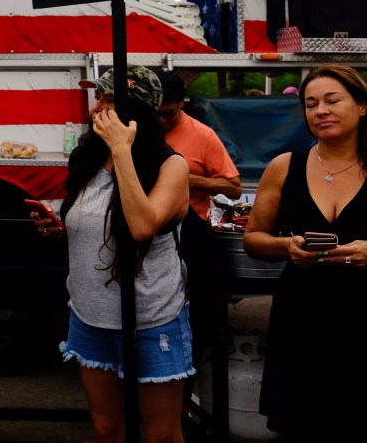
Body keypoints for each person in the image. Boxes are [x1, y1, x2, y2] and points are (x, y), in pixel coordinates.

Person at [34, 64, 192, 443]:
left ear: (136, 113)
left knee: (161, 435)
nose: (96, 108)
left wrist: (123, 150)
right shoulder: (86, 160)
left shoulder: (171, 166)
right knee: (107, 429)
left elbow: (141, 226)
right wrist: (59, 229)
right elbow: (94, 225)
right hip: (90, 314)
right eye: (97, 97)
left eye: (108, 100)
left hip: (151, 318)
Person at [244, 64, 367, 440]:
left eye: (332, 100)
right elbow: (254, 237)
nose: (321, 111)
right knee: (302, 426)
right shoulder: (284, 167)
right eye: (311, 104)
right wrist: (285, 246)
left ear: (362, 106)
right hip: (302, 316)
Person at [156, 71, 241, 219]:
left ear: (182, 103)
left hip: (189, 231)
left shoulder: (203, 135)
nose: (162, 121)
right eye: (156, 113)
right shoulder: (137, 128)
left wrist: (188, 180)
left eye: (169, 114)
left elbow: (234, 188)